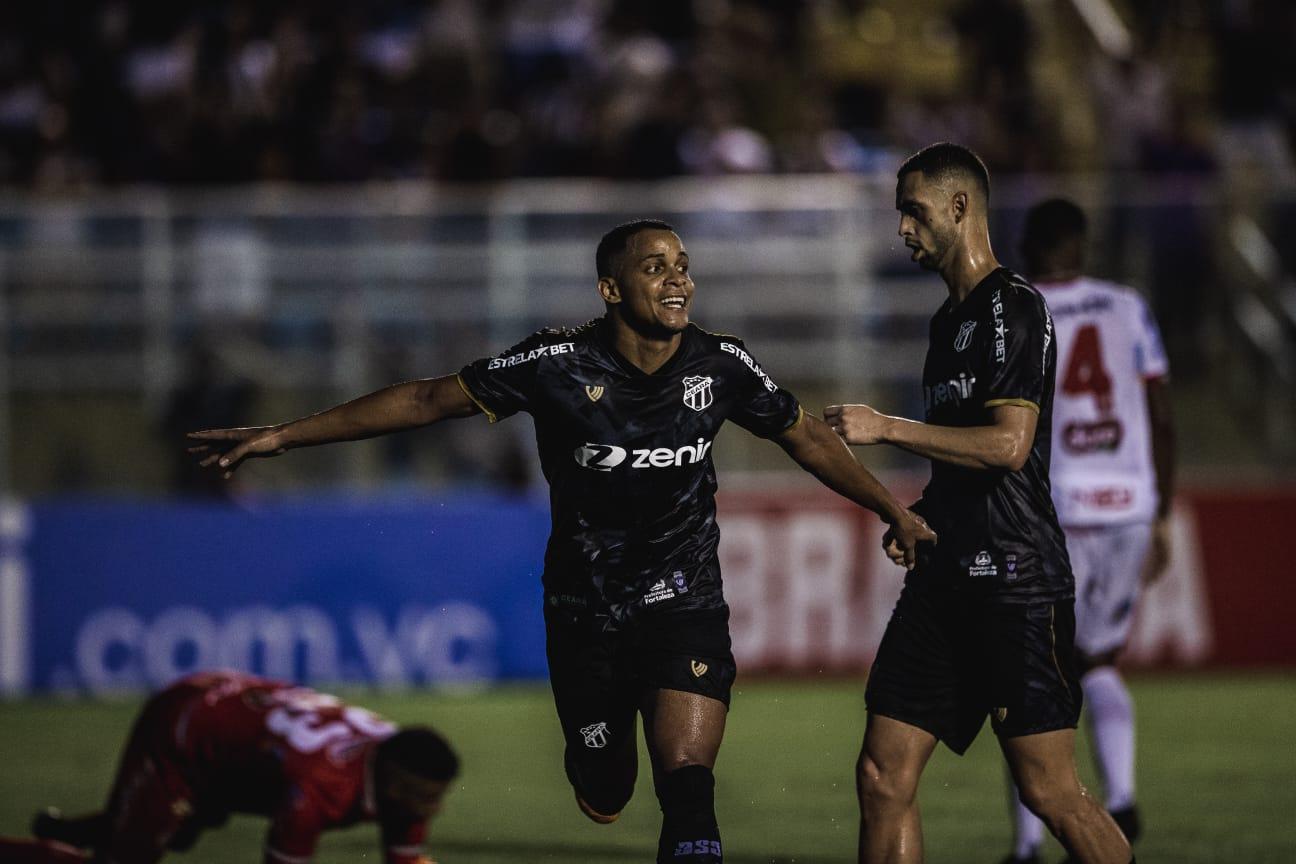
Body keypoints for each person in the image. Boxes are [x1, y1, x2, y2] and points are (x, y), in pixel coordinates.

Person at [186, 219, 936, 864]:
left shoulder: (722, 365)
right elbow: (424, 398)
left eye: (683, 266)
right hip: (584, 611)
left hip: (684, 600)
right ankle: (594, 765)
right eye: (655, 268)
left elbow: (804, 435)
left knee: (688, 782)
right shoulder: (554, 365)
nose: (678, 281)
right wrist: (285, 434)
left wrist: (889, 508)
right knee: (607, 787)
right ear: (610, 290)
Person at [823, 144, 1134, 864]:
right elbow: (962, 454)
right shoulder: (946, 323)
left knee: (1050, 791)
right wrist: (918, 514)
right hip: (944, 573)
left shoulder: (1014, 307)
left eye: (914, 210)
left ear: (960, 208)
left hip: (1016, 582)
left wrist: (887, 426)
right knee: (881, 775)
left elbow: (1008, 446)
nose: (902, 228)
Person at [998, 198, 1175, 864]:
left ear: (1028, 245)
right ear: (1081, 243)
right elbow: (1161, 415)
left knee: (1030, 673)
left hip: (1058, 506)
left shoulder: (1017, 310)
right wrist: (1162, 510)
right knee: (1097, 660)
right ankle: (1122, 797)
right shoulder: (1127, 306)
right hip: (1129, 501)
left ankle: (1026, 846)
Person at [0, 670, 458, 864]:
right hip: (187, 730)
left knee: (176, 831)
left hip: (242, 741)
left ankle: (75, 830)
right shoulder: (317, 790)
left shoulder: (400, 763)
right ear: (394, 782)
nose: (432, 810)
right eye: (426, 797)